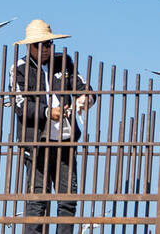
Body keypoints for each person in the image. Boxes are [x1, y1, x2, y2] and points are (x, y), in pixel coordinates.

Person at [10, 19, 95, 234]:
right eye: (40, 45)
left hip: (65, 141)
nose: (46, 49)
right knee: (38, 199)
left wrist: (86, 98)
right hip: (37, 142)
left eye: (48, 43)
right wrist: (49, 112)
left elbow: (84, 86)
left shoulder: (64, 61)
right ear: (29, 46)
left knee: (68, 198)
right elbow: (20, 105)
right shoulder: (19, 69)